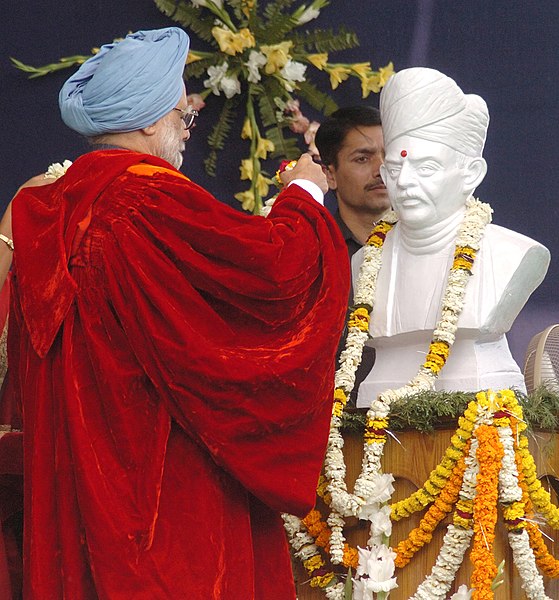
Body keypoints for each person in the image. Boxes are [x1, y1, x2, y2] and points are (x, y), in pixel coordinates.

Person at [9, 27, 349, 599]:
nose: (185, 132)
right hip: (157, 496)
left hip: (76, 488)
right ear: (147, 121)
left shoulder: (51, 206)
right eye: (182, 117)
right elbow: (272, 273)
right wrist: (305, 195)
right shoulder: (146, 199)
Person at [352, 67, 550, 406]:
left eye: (426, 168)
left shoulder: (510, 253)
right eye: (395, 170)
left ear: (471, 174)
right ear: (385, 173)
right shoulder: (363, 263)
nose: (405, 182)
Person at [315, 106, 391, 404]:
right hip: (334, 427)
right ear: (329, 175)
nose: (381, 168)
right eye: (363, 158)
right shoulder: (313, 251)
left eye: (389, 155)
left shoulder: (428, 246)